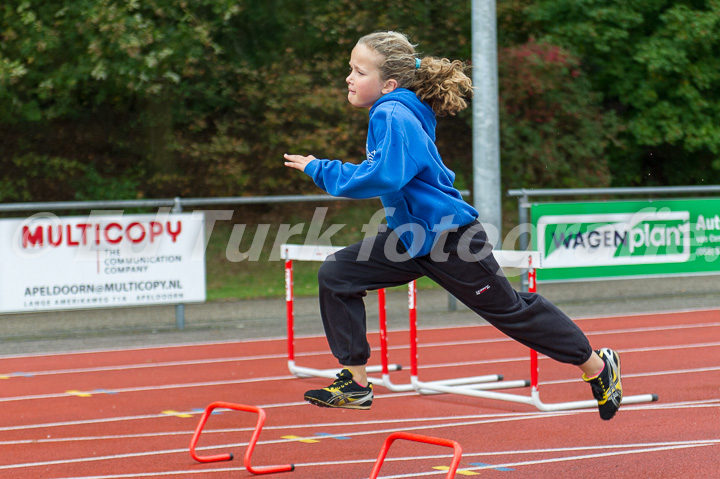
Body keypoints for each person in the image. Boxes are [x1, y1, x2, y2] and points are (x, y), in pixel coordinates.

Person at [283, 31, 622, 420]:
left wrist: (320, 169)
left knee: (511, 311)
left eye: (359, 72)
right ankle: (356, 383)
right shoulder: (398, 110)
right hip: (410, 237)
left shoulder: (391, 113)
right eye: (350, 69)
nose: (349, 78)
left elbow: (385, 176)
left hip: (448, 238)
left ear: (389, 84)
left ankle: (597, 366)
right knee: (339, 274)